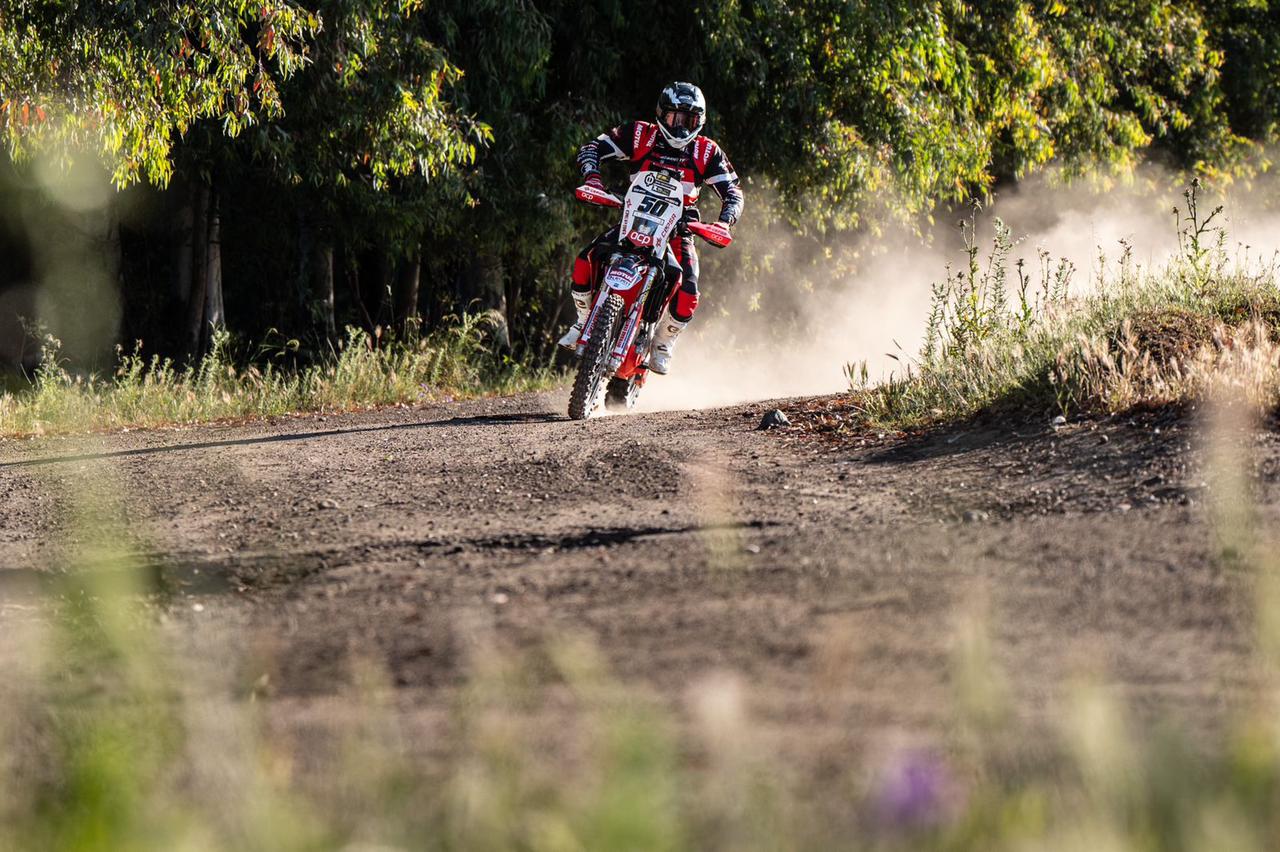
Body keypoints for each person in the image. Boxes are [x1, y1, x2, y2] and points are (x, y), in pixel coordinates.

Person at [561, 81, 744, 374]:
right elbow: (592, 148)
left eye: (689, 121)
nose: (681, 127)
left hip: (676, 231)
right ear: (661, 114)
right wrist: (593, 178)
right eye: (674, 118)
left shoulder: (707, 151)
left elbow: (733, 191)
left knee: (689, 288)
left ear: (700, 122)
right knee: (586, 258)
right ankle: (583, 322)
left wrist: (725, 222)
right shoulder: (639, 134)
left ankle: (662, 342)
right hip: (631, 222)